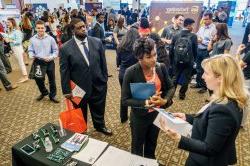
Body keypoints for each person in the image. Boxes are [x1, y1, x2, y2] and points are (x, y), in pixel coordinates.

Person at [160, 54, 248, 166]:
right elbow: (210, 120)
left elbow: (209, 148)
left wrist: (178, 138)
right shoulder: (229, 98)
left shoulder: (223, 110)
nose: (202, 77)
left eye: (206, 73)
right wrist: (187, 117)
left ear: (220, 77)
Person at [122, 37, 175, 159]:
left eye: (155, 54)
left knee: (152, 145)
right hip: (139, 117)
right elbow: (125, 100)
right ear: (139, 57)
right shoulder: (131, 72)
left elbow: (171, 87)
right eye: (149, 57)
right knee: (137, 147)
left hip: (157, 114)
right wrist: (145, 102)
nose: (154, 59)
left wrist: (165, 100)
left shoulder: (160, 67)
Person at [59, 18, 112, 136]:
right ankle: (82, 129)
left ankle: (100, 126)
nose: (84, 29)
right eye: (79, 27)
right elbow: (64, 71)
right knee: (81, 110)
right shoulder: (65, 48)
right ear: (73, 30)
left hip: (98, 83)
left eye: (84, 26)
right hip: (79, 87)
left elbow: (103, 63)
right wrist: (66, 90)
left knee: (99, 107)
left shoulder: (97, 42)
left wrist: (104, 79)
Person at [28, 20, 59, 103]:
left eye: (42, 28)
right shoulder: (32, 39)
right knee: (38, 80)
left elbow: (56, 51)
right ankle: (44, 92)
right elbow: (30, 50)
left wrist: (51, 57)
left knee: (52, 80)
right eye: (38, 28)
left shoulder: (51, 39)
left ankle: (52, 96)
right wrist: (31, 55)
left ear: (45, 28)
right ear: (36, 28)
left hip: (49, 62)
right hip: (38, 62)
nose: (40, 29)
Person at [170, 18, 198, 100]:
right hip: (188, 61)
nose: (192, 27)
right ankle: (182, 95)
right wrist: (194, 61)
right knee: (186, 78)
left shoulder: (176, 35)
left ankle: (171, 94)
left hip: (177, 60)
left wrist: (172, 60)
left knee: (175, 77)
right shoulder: (193, 36)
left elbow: (171, 49)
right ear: (188, 25)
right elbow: (195, 50)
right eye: (192, 25)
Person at [117, 27, 140, 123]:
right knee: (136, 97)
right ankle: (133, 118)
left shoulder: (120, 46)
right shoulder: (137, 47)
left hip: (122, 74)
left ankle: (123, 117)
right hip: (134, 74)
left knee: (124, 96)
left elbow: (118, 62)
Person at [191, 12, 216, 93]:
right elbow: (197, 35)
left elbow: (213, 41)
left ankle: (205, 87)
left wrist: (202, 41)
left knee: (206, 69)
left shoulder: (214, 29)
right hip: (199, 50)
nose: (204, 21)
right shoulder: (202, 27)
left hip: (207, 51)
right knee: (198, 68)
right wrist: (197, 38)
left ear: (211, 19)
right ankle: (198, 83)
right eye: (203, 19)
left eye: (206, 19)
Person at [0, 18, 28, 83]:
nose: (7, 24)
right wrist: (2, 34)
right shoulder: (11, 31)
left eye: (9, 22)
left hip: (18, 48)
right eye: (7, 22)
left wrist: (10, 40)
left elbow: (19, 41)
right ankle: (24, 76)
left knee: (21, 63)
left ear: (13, 23)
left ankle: (25, 77)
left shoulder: (17, 31)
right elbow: (8, 36)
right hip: (15, 49)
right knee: (20, 63)